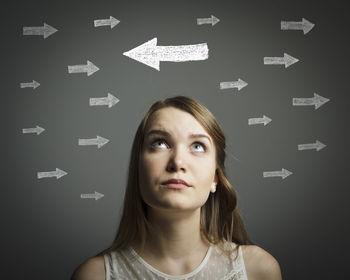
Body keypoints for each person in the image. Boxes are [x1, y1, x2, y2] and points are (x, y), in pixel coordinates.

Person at [71, 95, 282, 280]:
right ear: (138, 167)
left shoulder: (257, 270)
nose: (178, 162)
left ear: (215, 179)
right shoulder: (95, 276)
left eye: (198, 146)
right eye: (160, 143)